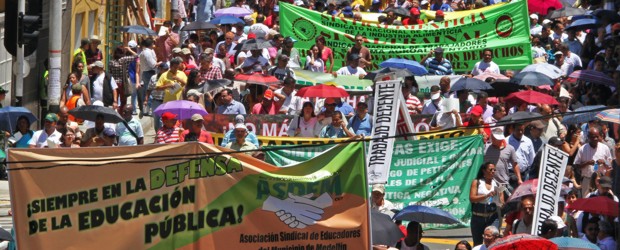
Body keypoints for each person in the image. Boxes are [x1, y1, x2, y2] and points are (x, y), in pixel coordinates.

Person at [574, 126, 612, 198]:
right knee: (586, 201)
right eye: (593, 137)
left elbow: (610, 165)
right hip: (587, 180)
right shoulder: (582, 149)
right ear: (588, 137)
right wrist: (586, 163)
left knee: (601, 201)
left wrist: (604, 162)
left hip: (601, 181)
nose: (595, 139)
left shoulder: (605, 148)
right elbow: (576, 166)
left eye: (597, 137)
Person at [469, 162, 502, 246]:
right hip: (478, 217)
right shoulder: (477, 182)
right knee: (477, 243)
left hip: (492, 216)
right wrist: (486, 195)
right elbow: (472, 198)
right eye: (490, 170)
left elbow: (501, 201)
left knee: (492, 241)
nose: (493, 171)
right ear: (484, 171)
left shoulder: (497, 183)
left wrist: (500, 200)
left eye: (494, 170)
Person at [138, 38, 161, 118]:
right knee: (150, 91)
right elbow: (153, 64)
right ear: (151, 44)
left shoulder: (145, 52)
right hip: (149, 72)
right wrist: (160, 63)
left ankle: (147, 109)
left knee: (147, 91)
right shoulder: (147, 52)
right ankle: (148, 109)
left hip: (146, 73)